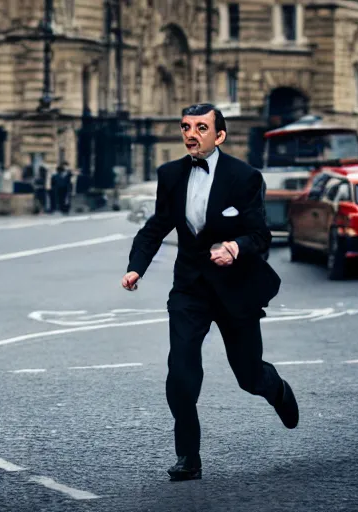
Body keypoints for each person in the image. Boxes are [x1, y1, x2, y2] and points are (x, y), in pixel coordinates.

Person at [121, 103, 298, 482]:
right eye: (186, 126)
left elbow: (259, 235)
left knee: (248, 375)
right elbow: (156, 227)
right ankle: (188, 456)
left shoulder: (244, 177)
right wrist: (136, 267)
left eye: (201, 128)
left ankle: (277, 390)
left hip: (236, 288)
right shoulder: (170, 175)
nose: (191, 134)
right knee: (181, 373)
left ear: (219, 136)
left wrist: (234, 247)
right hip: (190, 288)